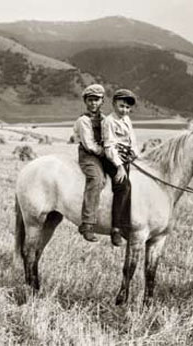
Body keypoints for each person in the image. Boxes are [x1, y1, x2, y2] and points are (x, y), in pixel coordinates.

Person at [102, 89, 139, 247]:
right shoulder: (109, 122)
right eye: (121, 106)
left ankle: (127, 224)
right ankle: (116, 229)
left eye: (127, 108)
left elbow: (132, 139)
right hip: (112, 158)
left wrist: (135, 154)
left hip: (125, 157)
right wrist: (119, 167)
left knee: (132, 186)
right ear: (114, 104)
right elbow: (109, 147)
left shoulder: (127, 120)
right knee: (122, 187)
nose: (124, 110)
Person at [73, 84, 106, 242]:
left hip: (104, 153)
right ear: (86, 101)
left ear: (102, 101)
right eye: (90, 100)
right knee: (97, 179)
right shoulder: (83, 121)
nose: (93, 103)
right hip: (89, 156)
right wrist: (105, 152)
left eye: (97, 100)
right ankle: (87, 224)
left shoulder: (105, 119)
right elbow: (89, 145)